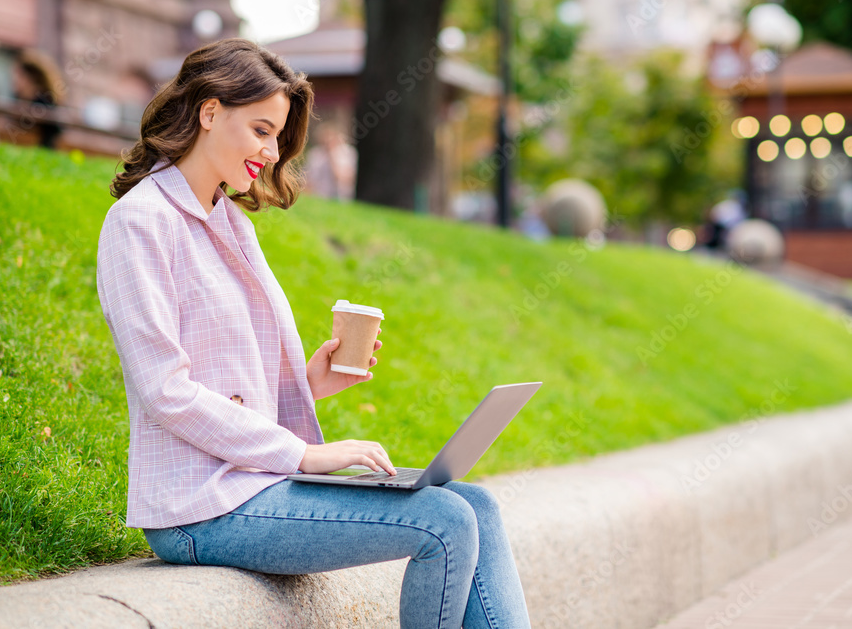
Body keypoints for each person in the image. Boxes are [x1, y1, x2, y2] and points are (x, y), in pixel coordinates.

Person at [95, 37, 530, 628]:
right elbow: (165, 392)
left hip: (254, 484)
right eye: (261, 130)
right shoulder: (140, 223)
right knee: (444, 522)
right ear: (210, 111)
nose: (272, 153)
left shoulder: (230, 224)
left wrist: (309, 382)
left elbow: (235, 389)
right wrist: (305, 453)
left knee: (474, 502)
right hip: (198, 508)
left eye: (277, 137)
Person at [11, 49, 64, 149]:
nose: (15, 80)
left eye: (19, 76)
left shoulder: (44, 102)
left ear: (31, 79)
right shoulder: (19, 100)